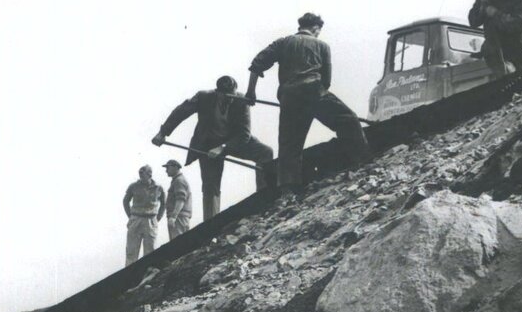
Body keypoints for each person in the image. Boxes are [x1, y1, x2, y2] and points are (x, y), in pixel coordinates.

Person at [247, 13, 370, 194]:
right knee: (348, 119)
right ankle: (363, 162)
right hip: (315, 91)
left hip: (290, 97)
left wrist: (251, 91)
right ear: (315, 28)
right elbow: (326, 80)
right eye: (319, 31)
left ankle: (288, 191)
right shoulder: (322, 46)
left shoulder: (283, 42)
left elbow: (257, 64)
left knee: (290, 144)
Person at [153, 76, 276, 219]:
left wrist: (223, 147)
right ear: (218, 92)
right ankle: (211, 223)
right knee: (211, 187)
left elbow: (244, 135)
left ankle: (265, 200)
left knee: (266, 152)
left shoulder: (241, 101)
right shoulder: (204, 97)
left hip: (235, 141)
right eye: (225, 95)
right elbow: (181, 112)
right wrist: (163, 133)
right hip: (208, 145)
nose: (229, 99)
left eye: (232, 95)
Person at [123, 165, 165, 264]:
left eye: (143, 173)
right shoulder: (133, 186)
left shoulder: (158, 187)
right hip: (136, 219)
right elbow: (125, 201)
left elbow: (163, 203)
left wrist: (158, 218)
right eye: (139, 173)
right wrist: (131, 216)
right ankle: (129, 276)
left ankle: (147, 275)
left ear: (149, 174)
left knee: (150, 251)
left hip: (151, 220)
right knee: (131, 251)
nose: (140, 175)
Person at [163, 159, 193, 239]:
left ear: (175, 167)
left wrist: (173, 217)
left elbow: (180, 200)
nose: (166, 171)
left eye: (168, 168)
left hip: (179, 218)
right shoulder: (177, 180)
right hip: (179, 217)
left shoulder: (179, 181)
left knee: (179, 244)